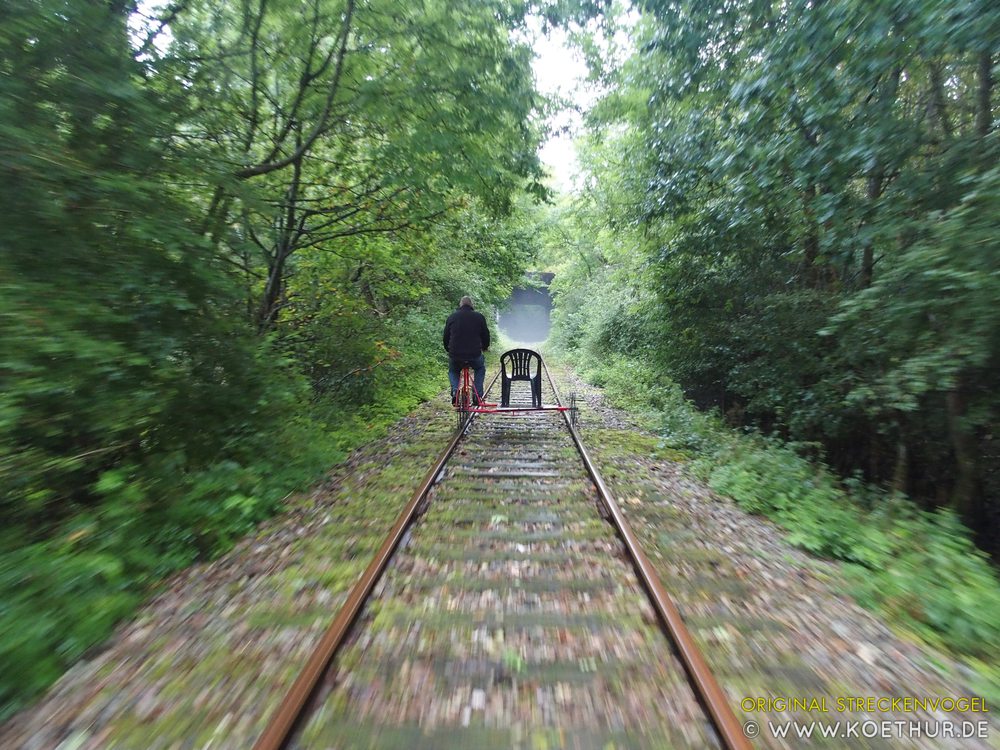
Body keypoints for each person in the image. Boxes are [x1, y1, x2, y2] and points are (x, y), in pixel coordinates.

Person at [443, 295, 490, 404]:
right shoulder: (479, 317)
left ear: (460, 305)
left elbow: (446, 337)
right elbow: (486, 335)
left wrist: (448, 349)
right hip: (474, 354)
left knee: (453, 371)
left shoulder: (452, 317)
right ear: (471, 305)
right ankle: (477, 394)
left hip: (455, 354)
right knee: (480, 368)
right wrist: (485, 347)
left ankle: (455, 391)